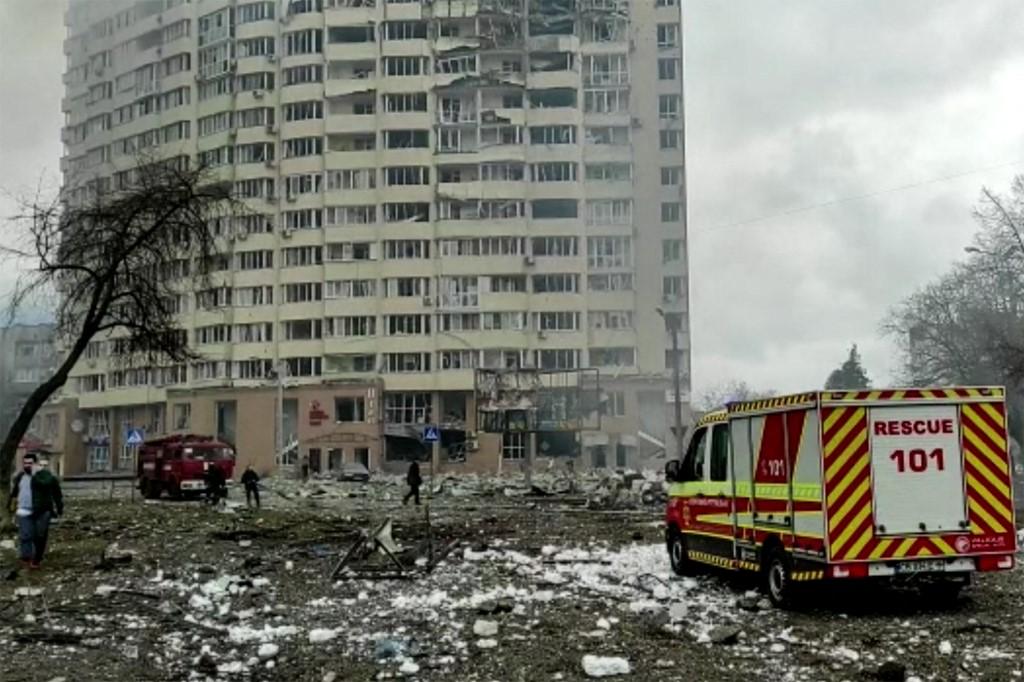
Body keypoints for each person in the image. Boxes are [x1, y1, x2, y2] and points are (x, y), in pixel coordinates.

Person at [8, 452, 64, 569]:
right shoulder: (20, 477)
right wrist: (11, 506)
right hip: (24, 510)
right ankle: (26, 558)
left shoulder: (45, 475)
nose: (27, 466)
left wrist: (59, 508)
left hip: (42, 511)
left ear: (36, 464)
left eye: (30, 463)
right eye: (25, 463)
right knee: (25, 535)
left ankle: (37, 558)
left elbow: (55, 492)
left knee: (40, 536)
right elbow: (14, 493)